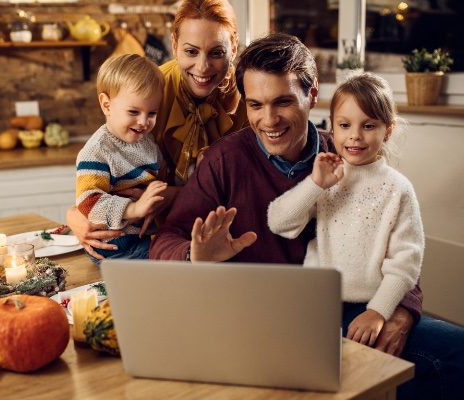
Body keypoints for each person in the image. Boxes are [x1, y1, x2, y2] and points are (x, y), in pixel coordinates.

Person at [150, 32, 464, 399]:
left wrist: (402, 312)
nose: (268, 120)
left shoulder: (349, 153)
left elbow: (402, 249)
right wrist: (194, 255)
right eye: (255, 105)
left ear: (312, 93)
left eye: (283, 101)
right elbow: (167, 239)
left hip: (342, 315)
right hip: (254, 321)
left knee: (455, 354)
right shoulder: (224, 161)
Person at [67, 0, 248, 260]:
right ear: (174, 45)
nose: (203, 67)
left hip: (227, 232)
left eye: (217, 53)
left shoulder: (250, 98)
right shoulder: (150, 92)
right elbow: (102, 173)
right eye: (191, 52)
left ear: (233, 46)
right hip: (155, 237)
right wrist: (74, 214)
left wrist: (174, 194)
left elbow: (251, 187)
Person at [267, 73, 424, 347]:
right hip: (318, 306)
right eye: (344, 124)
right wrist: (316, 184)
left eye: (368, 126)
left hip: (370, 306)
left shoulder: (398, 189)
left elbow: (405, 263)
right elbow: (279, 222)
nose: (354, 135)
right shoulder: (327, 176)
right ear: (333, 126)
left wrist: (378, 311)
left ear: (387, 130)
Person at [75, 54, 168, 264]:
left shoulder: (148, 143)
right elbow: (88, 201)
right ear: (106, 105)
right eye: (133, 112)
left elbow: (164, 178)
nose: (144, 122)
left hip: (143, 237)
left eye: (152, 113)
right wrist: (135, 208)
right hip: (114, 246)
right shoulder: (97, 150)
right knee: (170, 263)